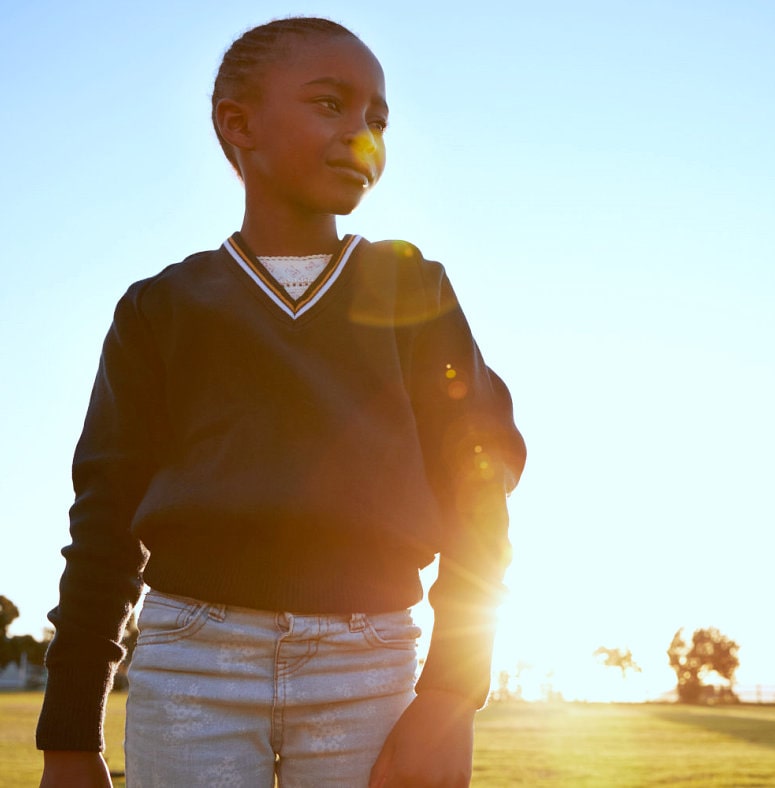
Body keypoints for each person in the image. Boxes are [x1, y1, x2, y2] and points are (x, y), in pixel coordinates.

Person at [37, 16, 526, 788]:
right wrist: (70, 733)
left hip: (367, 665)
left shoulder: (411, 289)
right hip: (189, 661)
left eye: (377, 120)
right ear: (238, 125)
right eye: (331, 105)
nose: (362, 136)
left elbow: (480, 490)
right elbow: (102, 522)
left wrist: (449, 693)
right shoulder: (159, 309)